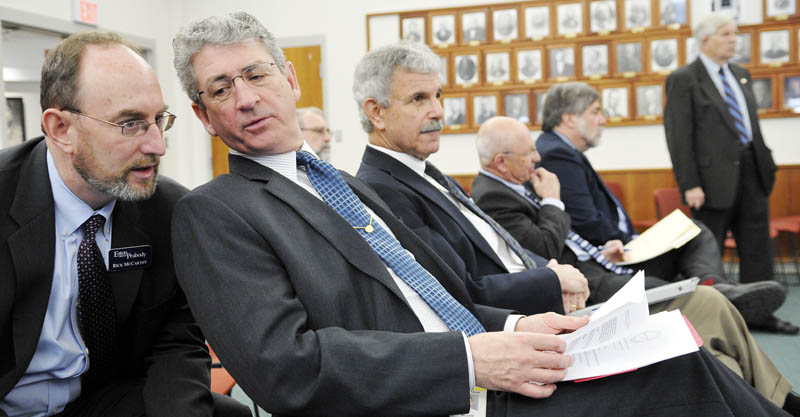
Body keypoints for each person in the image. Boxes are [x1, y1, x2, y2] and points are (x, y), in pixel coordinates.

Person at [170, 12, 791, 417]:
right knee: (674, 376)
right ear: (203, 116)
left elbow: (447, 292)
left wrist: (522, 325)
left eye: (255, 74)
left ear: (290, 80)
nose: (246, 98)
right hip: (435, 395)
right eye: (221, 89)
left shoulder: (344, 186)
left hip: (487, 365)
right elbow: (287, 370)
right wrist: (473, 359)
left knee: (674, 348)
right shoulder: (217, 212)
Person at [0, 31, 250, 417]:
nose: (157, 146)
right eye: (130, 123)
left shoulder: (166, 210)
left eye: (158, 120)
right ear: (61, 129)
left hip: (92, 398)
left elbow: (175, 341)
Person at [471, 116, 799, 410]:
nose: (537, 157)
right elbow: (543, 247)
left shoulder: (518, 184)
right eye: (528, 152)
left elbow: (558, 242)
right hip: (585, 287)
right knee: (703, 307)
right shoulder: (495, 195)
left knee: (708, 310)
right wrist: (553, 200)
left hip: (596, 266)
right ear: (501, 162)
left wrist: (601, 249)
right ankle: (777, 398)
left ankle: (770, 400)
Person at [537, 81, 797, 335]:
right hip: (607, 257)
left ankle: (717, 288)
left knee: (693, 231)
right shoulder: (557, 154)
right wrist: (634, 244)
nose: (603, 120)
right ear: (569, 118)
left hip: (617, 250)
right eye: (596, 111)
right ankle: (719, 295)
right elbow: (585, 220)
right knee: (669, 282)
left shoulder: (563, 150)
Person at [356, 42, 587, 316]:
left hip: (539, 294)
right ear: (376, 113)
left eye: (437, 95)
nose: (438, 111)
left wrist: (553, 270)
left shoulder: (428, 172)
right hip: (510, 324)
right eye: (419, 98)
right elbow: (459, 290)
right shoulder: (380, 189)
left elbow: (500, 248)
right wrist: (553, 280)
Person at [663, 13, 791, 331]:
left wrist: (766, 164)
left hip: (753, 173)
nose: (734, 40)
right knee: (710, 252)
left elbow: (750, 128)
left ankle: (761, 313)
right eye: (726, 34)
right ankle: (714, 318)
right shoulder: (684, 78)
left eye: (735, 34)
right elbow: (679, 136)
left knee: (757, 246)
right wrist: (689, 182)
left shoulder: (740, 74)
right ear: (705, 40)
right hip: (709, 182)